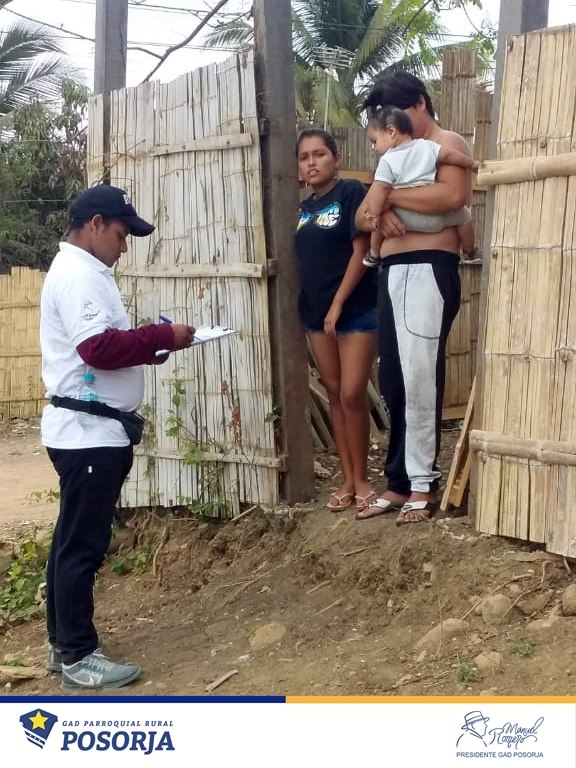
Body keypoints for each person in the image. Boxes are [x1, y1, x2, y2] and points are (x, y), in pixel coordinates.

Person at [40, 184, 195, 689]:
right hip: (87, 432)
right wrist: (160, 336)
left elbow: (106, 347)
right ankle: (79, 656)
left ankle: (62, 644)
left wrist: (150, 350)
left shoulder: (83, 272)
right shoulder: (78, 276)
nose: (125, 246)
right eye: (121, 234)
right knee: (82, 545)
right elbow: (98, 349)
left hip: (89, 428)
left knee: (70, 540)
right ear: (95, 225)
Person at [354, 72, 472, 525]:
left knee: (421, 376)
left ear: (420, 104)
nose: (391, 122)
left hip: (429, 265)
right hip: (392, 270)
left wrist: (387, 197)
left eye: (397, 112)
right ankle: (399, 481)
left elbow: (451, 196)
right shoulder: (393, 154)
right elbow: (363, 216)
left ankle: (424, 482)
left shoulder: (445, 143)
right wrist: (380, 208)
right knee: (394, 379)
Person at [295, 128, 377, 514]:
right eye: (304, 157)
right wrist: (322, 309)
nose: (312, 162)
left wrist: (339, 303)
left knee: (352, 392)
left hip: (356, 308)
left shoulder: (351, 193)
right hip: (316, 313)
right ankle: (347, 479)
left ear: (336, 159)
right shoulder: (302, 210)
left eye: (319, 154)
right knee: (334, 392)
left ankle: (363, 479)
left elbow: (362, 250)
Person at [361, 106, 477, 267]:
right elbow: (450, 156)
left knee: (380, 218)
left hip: (403, 220)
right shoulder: (427, 146)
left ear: (391, 131)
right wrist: (471, 164)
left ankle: (373, 254)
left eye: (375, 141)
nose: (374, 148)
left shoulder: (387, 160)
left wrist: (375, 215)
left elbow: (381, 189)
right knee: (465, 217)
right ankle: (469, 251)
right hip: (435, 217)